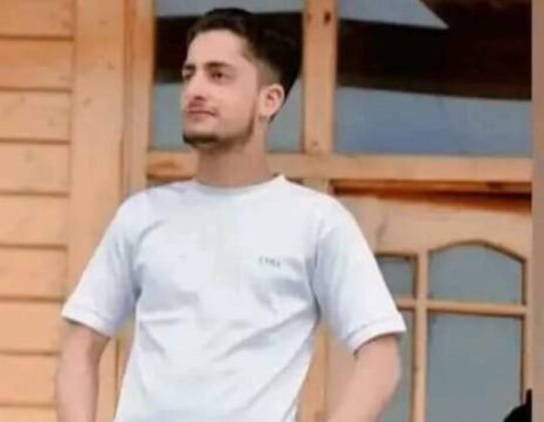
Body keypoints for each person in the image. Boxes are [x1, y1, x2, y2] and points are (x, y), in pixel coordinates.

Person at [56, 8, 405, 422]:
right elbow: (80, 346)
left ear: (269, 100)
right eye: (189, 74)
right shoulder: (141, 216)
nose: (194, 90)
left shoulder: (316, 223)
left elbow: (381, 359)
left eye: (218, 75)